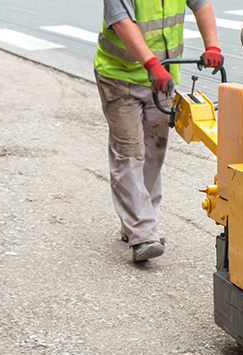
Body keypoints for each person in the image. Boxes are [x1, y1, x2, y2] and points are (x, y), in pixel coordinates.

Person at [94, 0, 222, 262]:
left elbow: (201, 5)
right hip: (121, 77)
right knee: (129, 153)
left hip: (163, 79)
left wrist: (212, 46)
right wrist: (152, 64)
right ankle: (142, 233)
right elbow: (121, 23)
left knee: (154, 151)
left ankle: (135, 222)